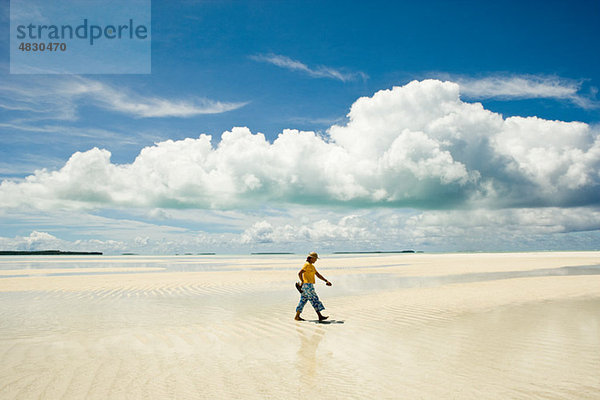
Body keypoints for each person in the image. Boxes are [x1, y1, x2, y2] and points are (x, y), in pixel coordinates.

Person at [294, 252, 332, 321]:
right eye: (315, 259)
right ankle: (320, 316)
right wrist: (302, 281)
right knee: (314, 299)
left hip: (307, 285)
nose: (316, 260)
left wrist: (326, 280)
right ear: (311, 258)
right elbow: (300, 273)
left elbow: (318, 275)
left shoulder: (312, 266)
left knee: (303, 300)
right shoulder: (307, 265)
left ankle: (297, 316)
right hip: (307, 285)